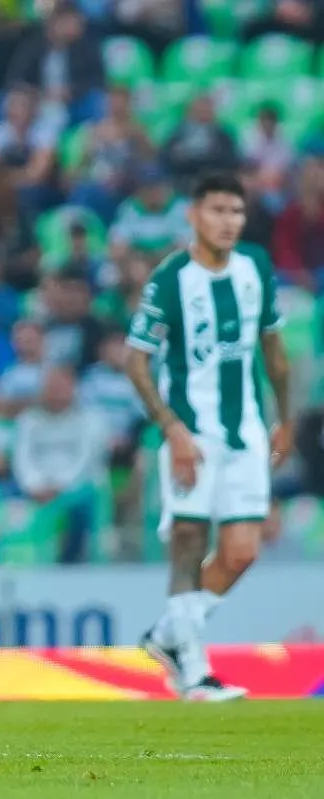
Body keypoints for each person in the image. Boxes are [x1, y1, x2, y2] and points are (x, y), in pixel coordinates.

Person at [125, 172, 292, 702]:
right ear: (194, 215)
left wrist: (283, 419)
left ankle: (169, 635)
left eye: (237, 212)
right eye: (218, 210)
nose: (229, 222)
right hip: (192, 434)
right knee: (189, 541)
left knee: (242, 552)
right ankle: (194, 673)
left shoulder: (256, 269)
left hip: (244, 431)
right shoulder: (172, 278)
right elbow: (135, 360)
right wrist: (172, 429)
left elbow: (274, 351)